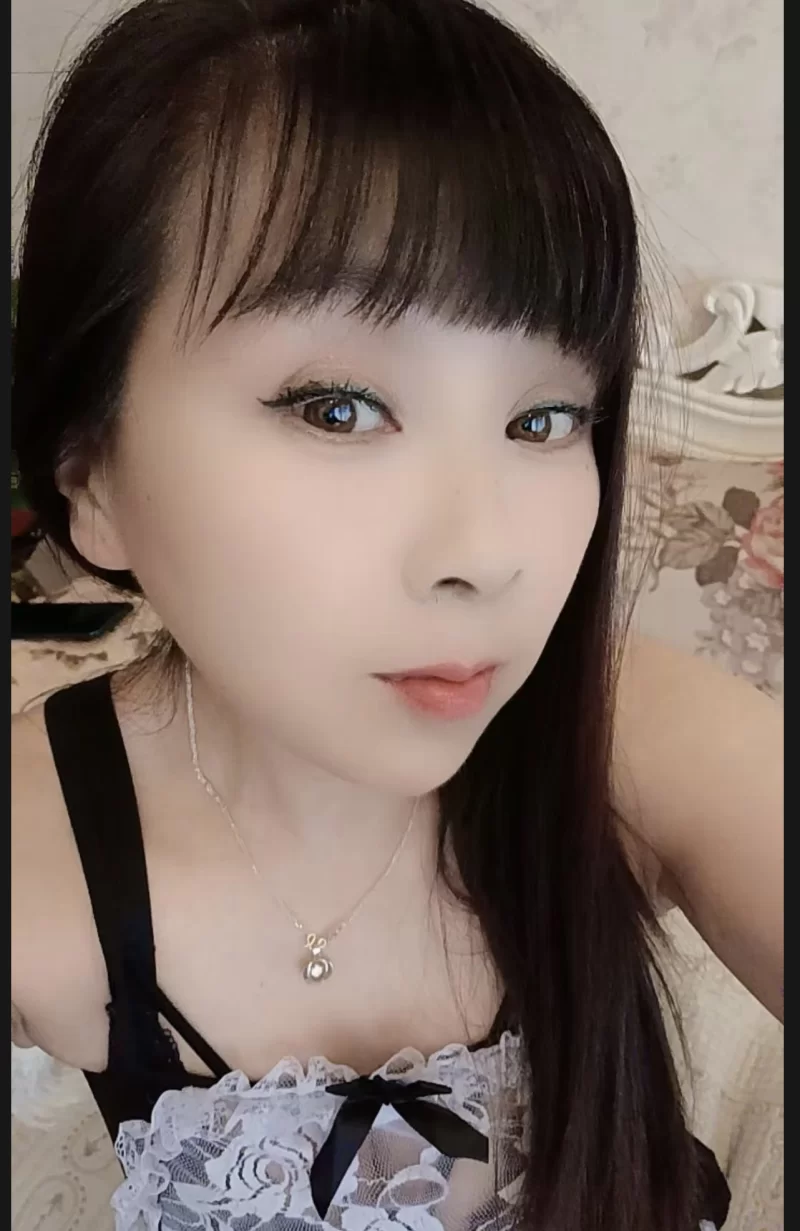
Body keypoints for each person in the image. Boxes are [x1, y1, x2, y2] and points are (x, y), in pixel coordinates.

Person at [11, 1, 782, 1229]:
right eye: (338, 408)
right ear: (92, 474)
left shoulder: (631, 734)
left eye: (542, 419)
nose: (483, 555)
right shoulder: (37, 847)